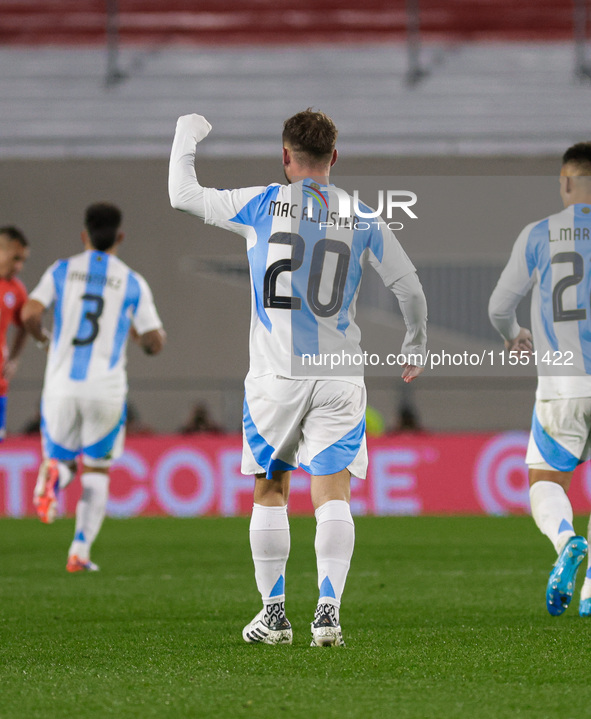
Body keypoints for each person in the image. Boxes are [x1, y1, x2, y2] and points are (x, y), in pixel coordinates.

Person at [169, 110, 427, 646]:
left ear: (286, 158)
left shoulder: (262, 203)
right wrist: (416, 340)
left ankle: (275, 615)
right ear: (334, 157)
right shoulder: (362, 215)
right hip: (339, 375)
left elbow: (182, 194)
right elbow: (409, 287)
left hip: (275, 376)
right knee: (333, 493)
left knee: (271, 489)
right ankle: (328, 612)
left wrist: (187, 133)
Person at [21, 202, 166, 572]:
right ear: (120, 237)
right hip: (106, 388)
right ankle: (79, 551)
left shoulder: (62, 270)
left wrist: (43, 339)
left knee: (61, 460)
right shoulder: (132, 281)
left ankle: (53, 480)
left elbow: (30, 313)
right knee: (97, 469)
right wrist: (140, 336)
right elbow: (154, 341)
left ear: (84, 235)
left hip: (61, 384)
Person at [489, 142, 591, 618]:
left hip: (562, 384)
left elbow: (499, 307)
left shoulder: (539, 236)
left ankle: (568, 541)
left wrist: (513, 334)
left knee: (544, 481)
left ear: (567, 183)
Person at [0, 226, 30, 442]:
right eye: (15, 258)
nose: (18, 266)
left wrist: (15, 358)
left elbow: (25, 324)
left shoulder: (16, 289)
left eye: (23, 260)